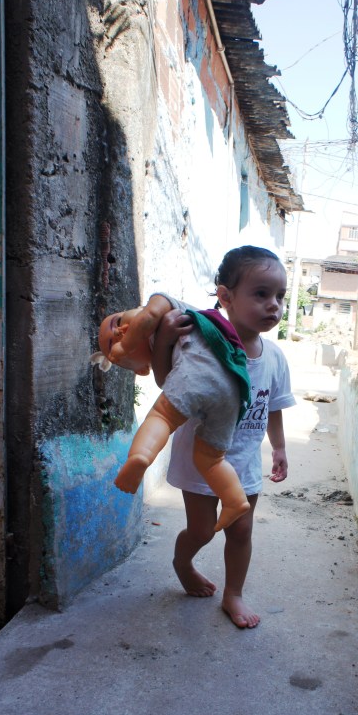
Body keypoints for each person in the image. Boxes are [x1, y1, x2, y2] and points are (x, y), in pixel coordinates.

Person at [152, 245, 295, 630]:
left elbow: (274, 404)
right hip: (201, 459)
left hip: (243, 460)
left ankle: (234, 594)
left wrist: (278, 447)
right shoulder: (202, 345)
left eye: (280, 296)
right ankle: (183, 563)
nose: (273, 305)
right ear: (225, 296)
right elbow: (168, 383)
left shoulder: (275, 356)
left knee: (242, 528)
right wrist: (165, 339)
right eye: (261, 294)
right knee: (201, 530)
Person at [91, 293, 252, 531]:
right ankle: (234, 499)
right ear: (140, 370)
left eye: (117, 323)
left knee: (162, 417)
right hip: (234, 388)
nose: (119, 334)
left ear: (139, 308)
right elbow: (165, 380)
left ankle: (141, 456)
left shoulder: (162, 304)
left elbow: (150, 316)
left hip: (206, 367)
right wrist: (149, 348)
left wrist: (125, 347)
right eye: (112, 345)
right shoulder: (163, 355)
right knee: (210, 458)